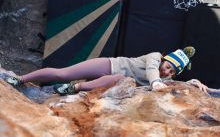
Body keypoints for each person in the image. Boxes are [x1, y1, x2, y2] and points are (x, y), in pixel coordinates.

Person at [4, 46, 195, 95]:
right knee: (61, 73)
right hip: (108, 66)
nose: (167, 71)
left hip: (111, 82)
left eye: (171, 72)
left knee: (122, 78)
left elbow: (178, 86)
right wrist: (155, 82)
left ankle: (74, 88)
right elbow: (153, 70)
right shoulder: (155, 57)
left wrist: (196, 83)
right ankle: (20, 79)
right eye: (168, 66)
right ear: (166, 59)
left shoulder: (164, 81)